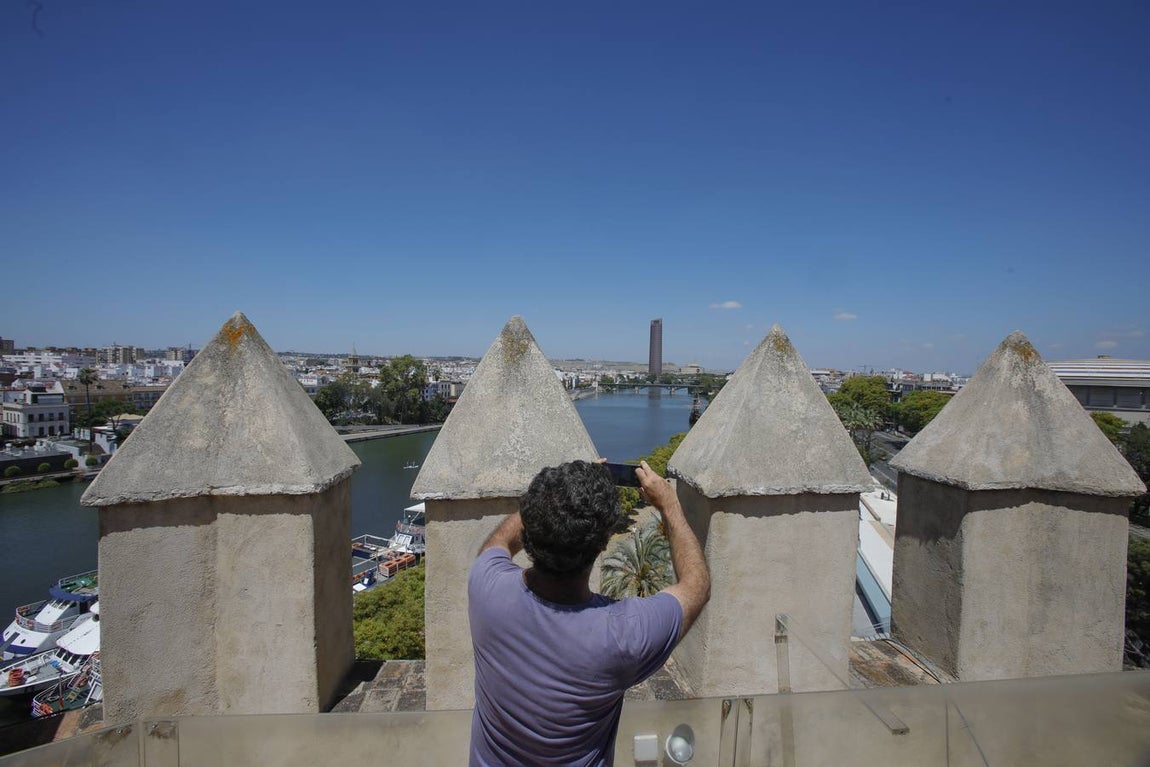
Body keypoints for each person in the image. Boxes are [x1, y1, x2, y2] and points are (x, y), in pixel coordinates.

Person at [468, 459, 711, 767]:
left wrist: (554, 497)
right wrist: (669, 504)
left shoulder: (485, 589)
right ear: (602, 544)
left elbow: (498, 541)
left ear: (530, 523)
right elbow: (696, 587)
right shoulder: (623, 636)